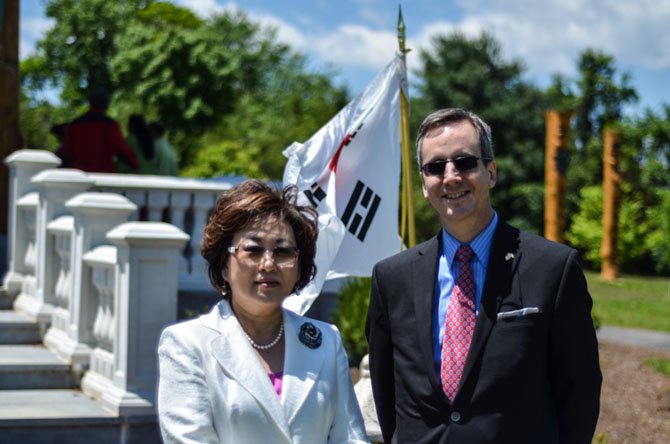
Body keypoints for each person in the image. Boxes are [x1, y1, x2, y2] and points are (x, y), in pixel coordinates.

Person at [366, 108, 602, 443]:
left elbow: (579, 391)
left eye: (464, 162)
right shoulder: (391, 278)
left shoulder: (552, 269)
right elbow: (386, 392)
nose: (450, 177)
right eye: (435, 167)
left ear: (490, 172)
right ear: (423, 183)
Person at [157, 179, 369, 444]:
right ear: (224, 265)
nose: (268, 264)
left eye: (282, 251)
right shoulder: (187, 344)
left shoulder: (326, 341)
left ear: (299, 267)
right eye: (253, 250)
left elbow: (349, 438)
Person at [61, 88, 139, 173]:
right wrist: (134, 163)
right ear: (106, 104)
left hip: (79, 175)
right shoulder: (110, 124)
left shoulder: (75, 124)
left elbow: (66, 151)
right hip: (102, 175)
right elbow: (119, 148)